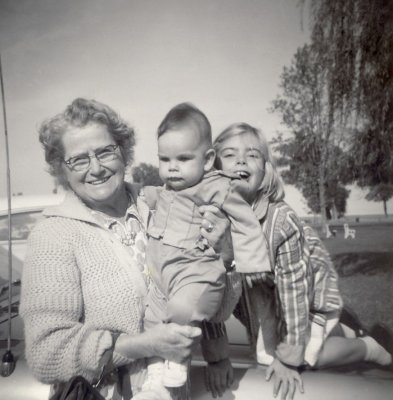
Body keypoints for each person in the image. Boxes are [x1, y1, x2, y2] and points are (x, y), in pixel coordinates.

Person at [19, 98, 229, 400]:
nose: (96, 168)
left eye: (105, 151)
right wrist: (146, 345)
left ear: (123, 151)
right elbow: (45, 354)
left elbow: (217, 308)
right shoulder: (52, 234)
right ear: (61, 169)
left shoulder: (161, 205)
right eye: (78, 159)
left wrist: (225, 256)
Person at [211, 122, 392, 400]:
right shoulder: (211, 221)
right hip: (262, 306)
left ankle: (370, 346)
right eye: (231, 154)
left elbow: (294, 289)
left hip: (304, 297)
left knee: (305, 356)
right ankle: (344, 329)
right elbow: (205, 291)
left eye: (253, 154)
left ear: (266, 171)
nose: (242, 160)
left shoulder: (280, 220)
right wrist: (216, 355)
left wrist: (289, 357)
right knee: (266, 353)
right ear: (214, 167)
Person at [135, 103, 269, 396]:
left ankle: (177, 361)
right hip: (163, 277)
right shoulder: (170, 187)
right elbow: (160, 197)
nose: (172, 167)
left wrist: (254, 263)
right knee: (151, 317)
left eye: (183, 158)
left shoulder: (216, 188)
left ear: (208, 160)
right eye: (164, 159)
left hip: (195, 273)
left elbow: (246, 222)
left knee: (183, 309)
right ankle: (156, 373)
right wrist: (145, 193)